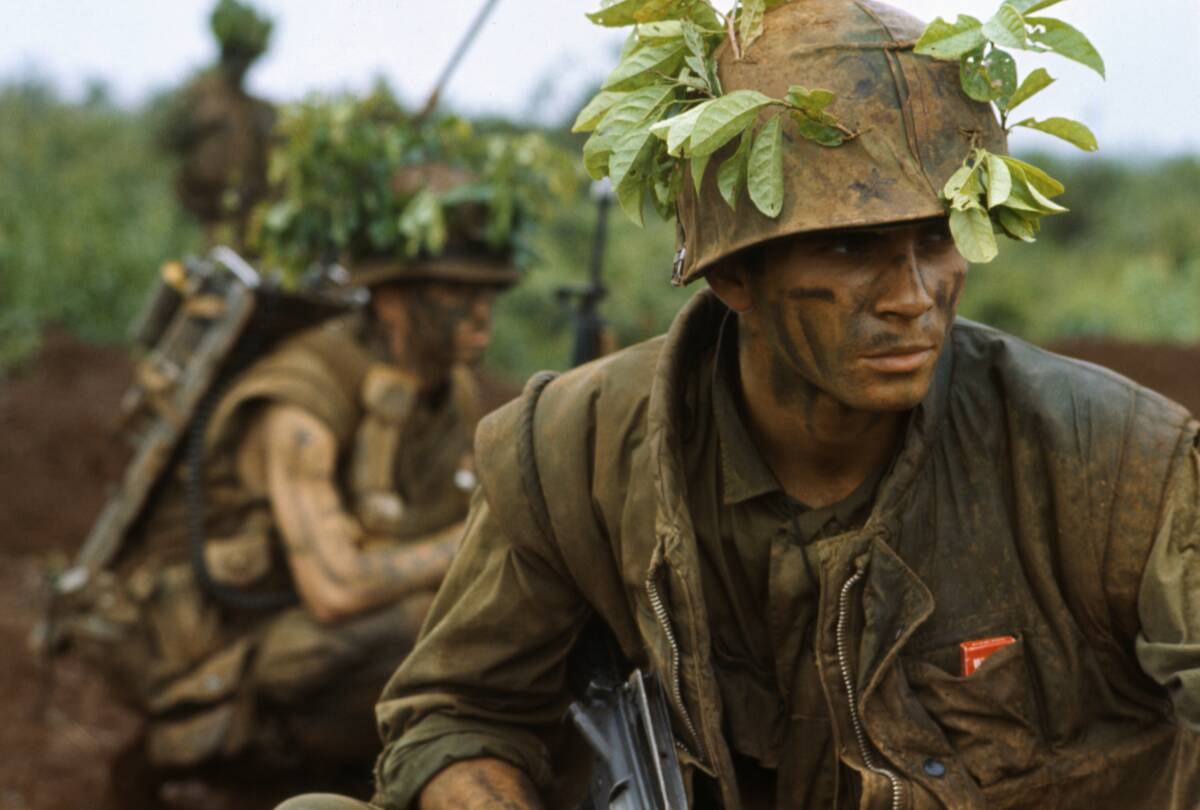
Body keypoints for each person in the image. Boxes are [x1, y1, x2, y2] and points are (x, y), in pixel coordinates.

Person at [282, 2, 1200, 809]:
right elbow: (456, 714)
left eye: (936, 239)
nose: (912, 296)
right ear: (733, 277)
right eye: (852, 248)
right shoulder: (574, 452)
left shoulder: (1113, 459)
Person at [60, 155, 522, 807]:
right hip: (223, 648)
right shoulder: (299, 404)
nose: (482, 314)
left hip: (317, 631)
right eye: (456, 292)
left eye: (490, 292)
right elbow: (334, 589)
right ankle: (230, 764)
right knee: (433, 628)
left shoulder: (450, 391)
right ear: (393, 298)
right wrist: (487, 539)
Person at [159, 0, 276, 249]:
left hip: (246, 221)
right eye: (236, 56)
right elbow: (165, 141)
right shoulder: (199, 96)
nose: (240, 66)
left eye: (246, 58)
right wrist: (205, 123)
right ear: (224, 55)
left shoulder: (256, 108)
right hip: (200, 216)